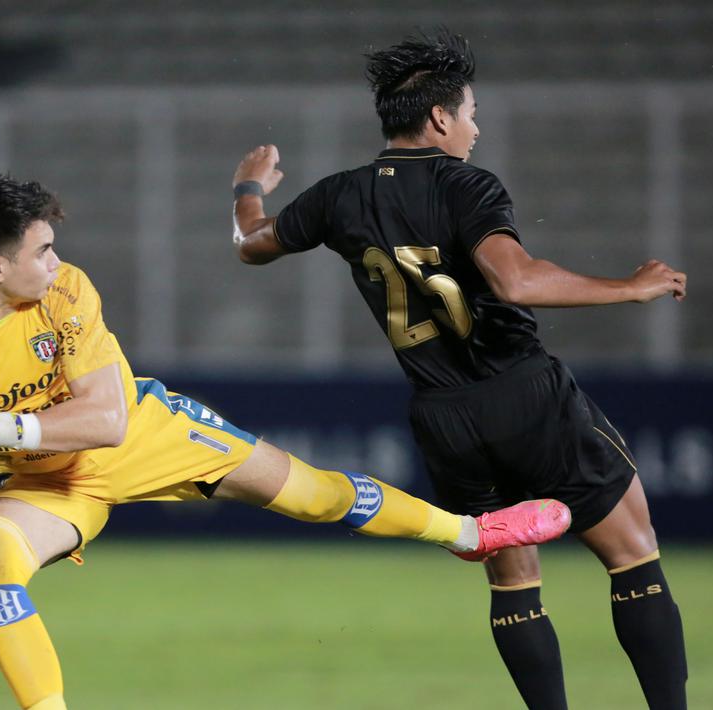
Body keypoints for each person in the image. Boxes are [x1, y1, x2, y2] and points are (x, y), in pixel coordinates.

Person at [0, 173, 571, 709]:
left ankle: (468, 534)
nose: (57, 261)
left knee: (314, 496)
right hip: (49, 483)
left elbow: (106, 421)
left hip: (147, 435)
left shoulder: (65, 294)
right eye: (43, 250)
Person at [229, 28, 689, 710]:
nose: (476, 127)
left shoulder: (338, 196)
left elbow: (250, 243)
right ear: (440, 118)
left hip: (444, 417)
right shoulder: (465, 184)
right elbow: (515, 281)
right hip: (523, 393)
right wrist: (630, 287)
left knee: (513, 583)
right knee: (632, 554)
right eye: (471, 113)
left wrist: (247, 187)